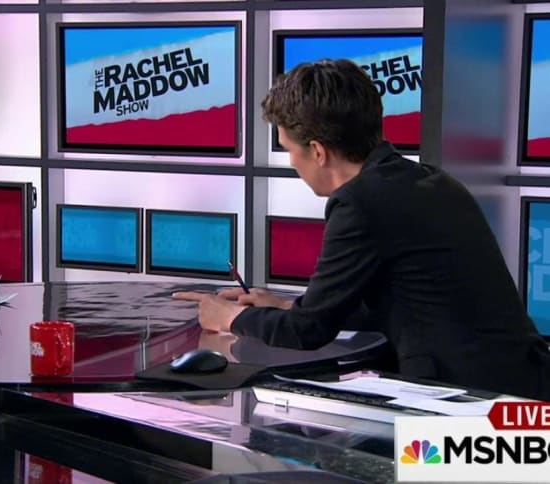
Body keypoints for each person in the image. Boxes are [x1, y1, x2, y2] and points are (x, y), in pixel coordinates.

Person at [173, 59, 550, 400]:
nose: (292, 162)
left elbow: (307, 331)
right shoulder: (426, 180)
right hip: (521, 382)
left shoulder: (360, 203)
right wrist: (288, 305)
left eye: (289, 149)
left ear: (317, 151)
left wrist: (228, 317)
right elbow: (409, 304)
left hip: (473, 403)